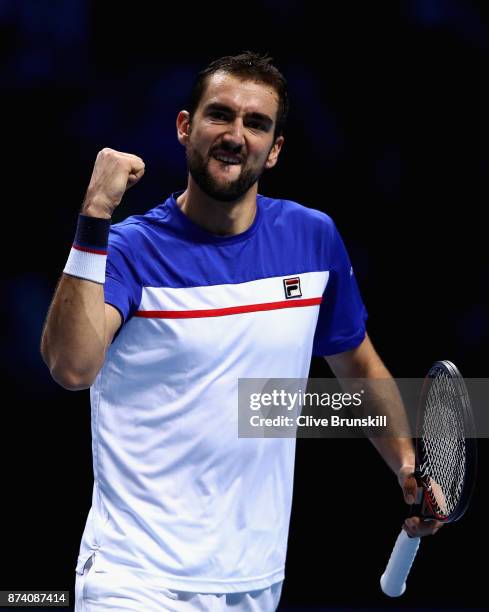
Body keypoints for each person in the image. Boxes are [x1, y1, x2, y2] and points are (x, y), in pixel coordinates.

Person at [40, 51, 442, 611]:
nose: (235, 135)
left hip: (254, 582)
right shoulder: (130, 249)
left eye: (256, 124)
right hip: (134, 578)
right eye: (219, 115)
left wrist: (405, 462)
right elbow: (72, 367)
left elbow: (358, 367)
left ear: (274, 149)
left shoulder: (313, 238)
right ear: (186, 127)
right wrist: (95, 213)